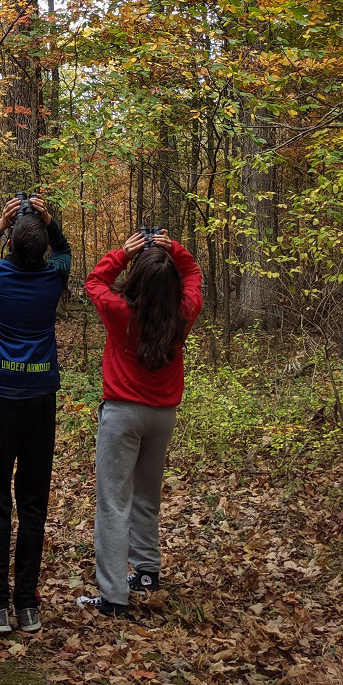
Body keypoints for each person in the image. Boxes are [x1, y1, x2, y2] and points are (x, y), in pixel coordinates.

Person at [0, 195, 71, 637]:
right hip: (41, 400)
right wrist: (49, 221)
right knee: (33, 504)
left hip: (1, 399)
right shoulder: (54, 277)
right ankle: (26, 605)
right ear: (41, 247)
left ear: (11, 244)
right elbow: (63, 253)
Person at [78, 229, 202, 618]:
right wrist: (174, 249)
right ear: (172, 286)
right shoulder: (183, 311)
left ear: (135, 279)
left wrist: (123, 252)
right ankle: (147, 571)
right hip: (162, 415)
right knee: (147, 494)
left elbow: (93, 281)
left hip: (122, 415)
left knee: (114, 502)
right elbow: (195, 274)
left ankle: (114, 595)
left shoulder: (119, 310)